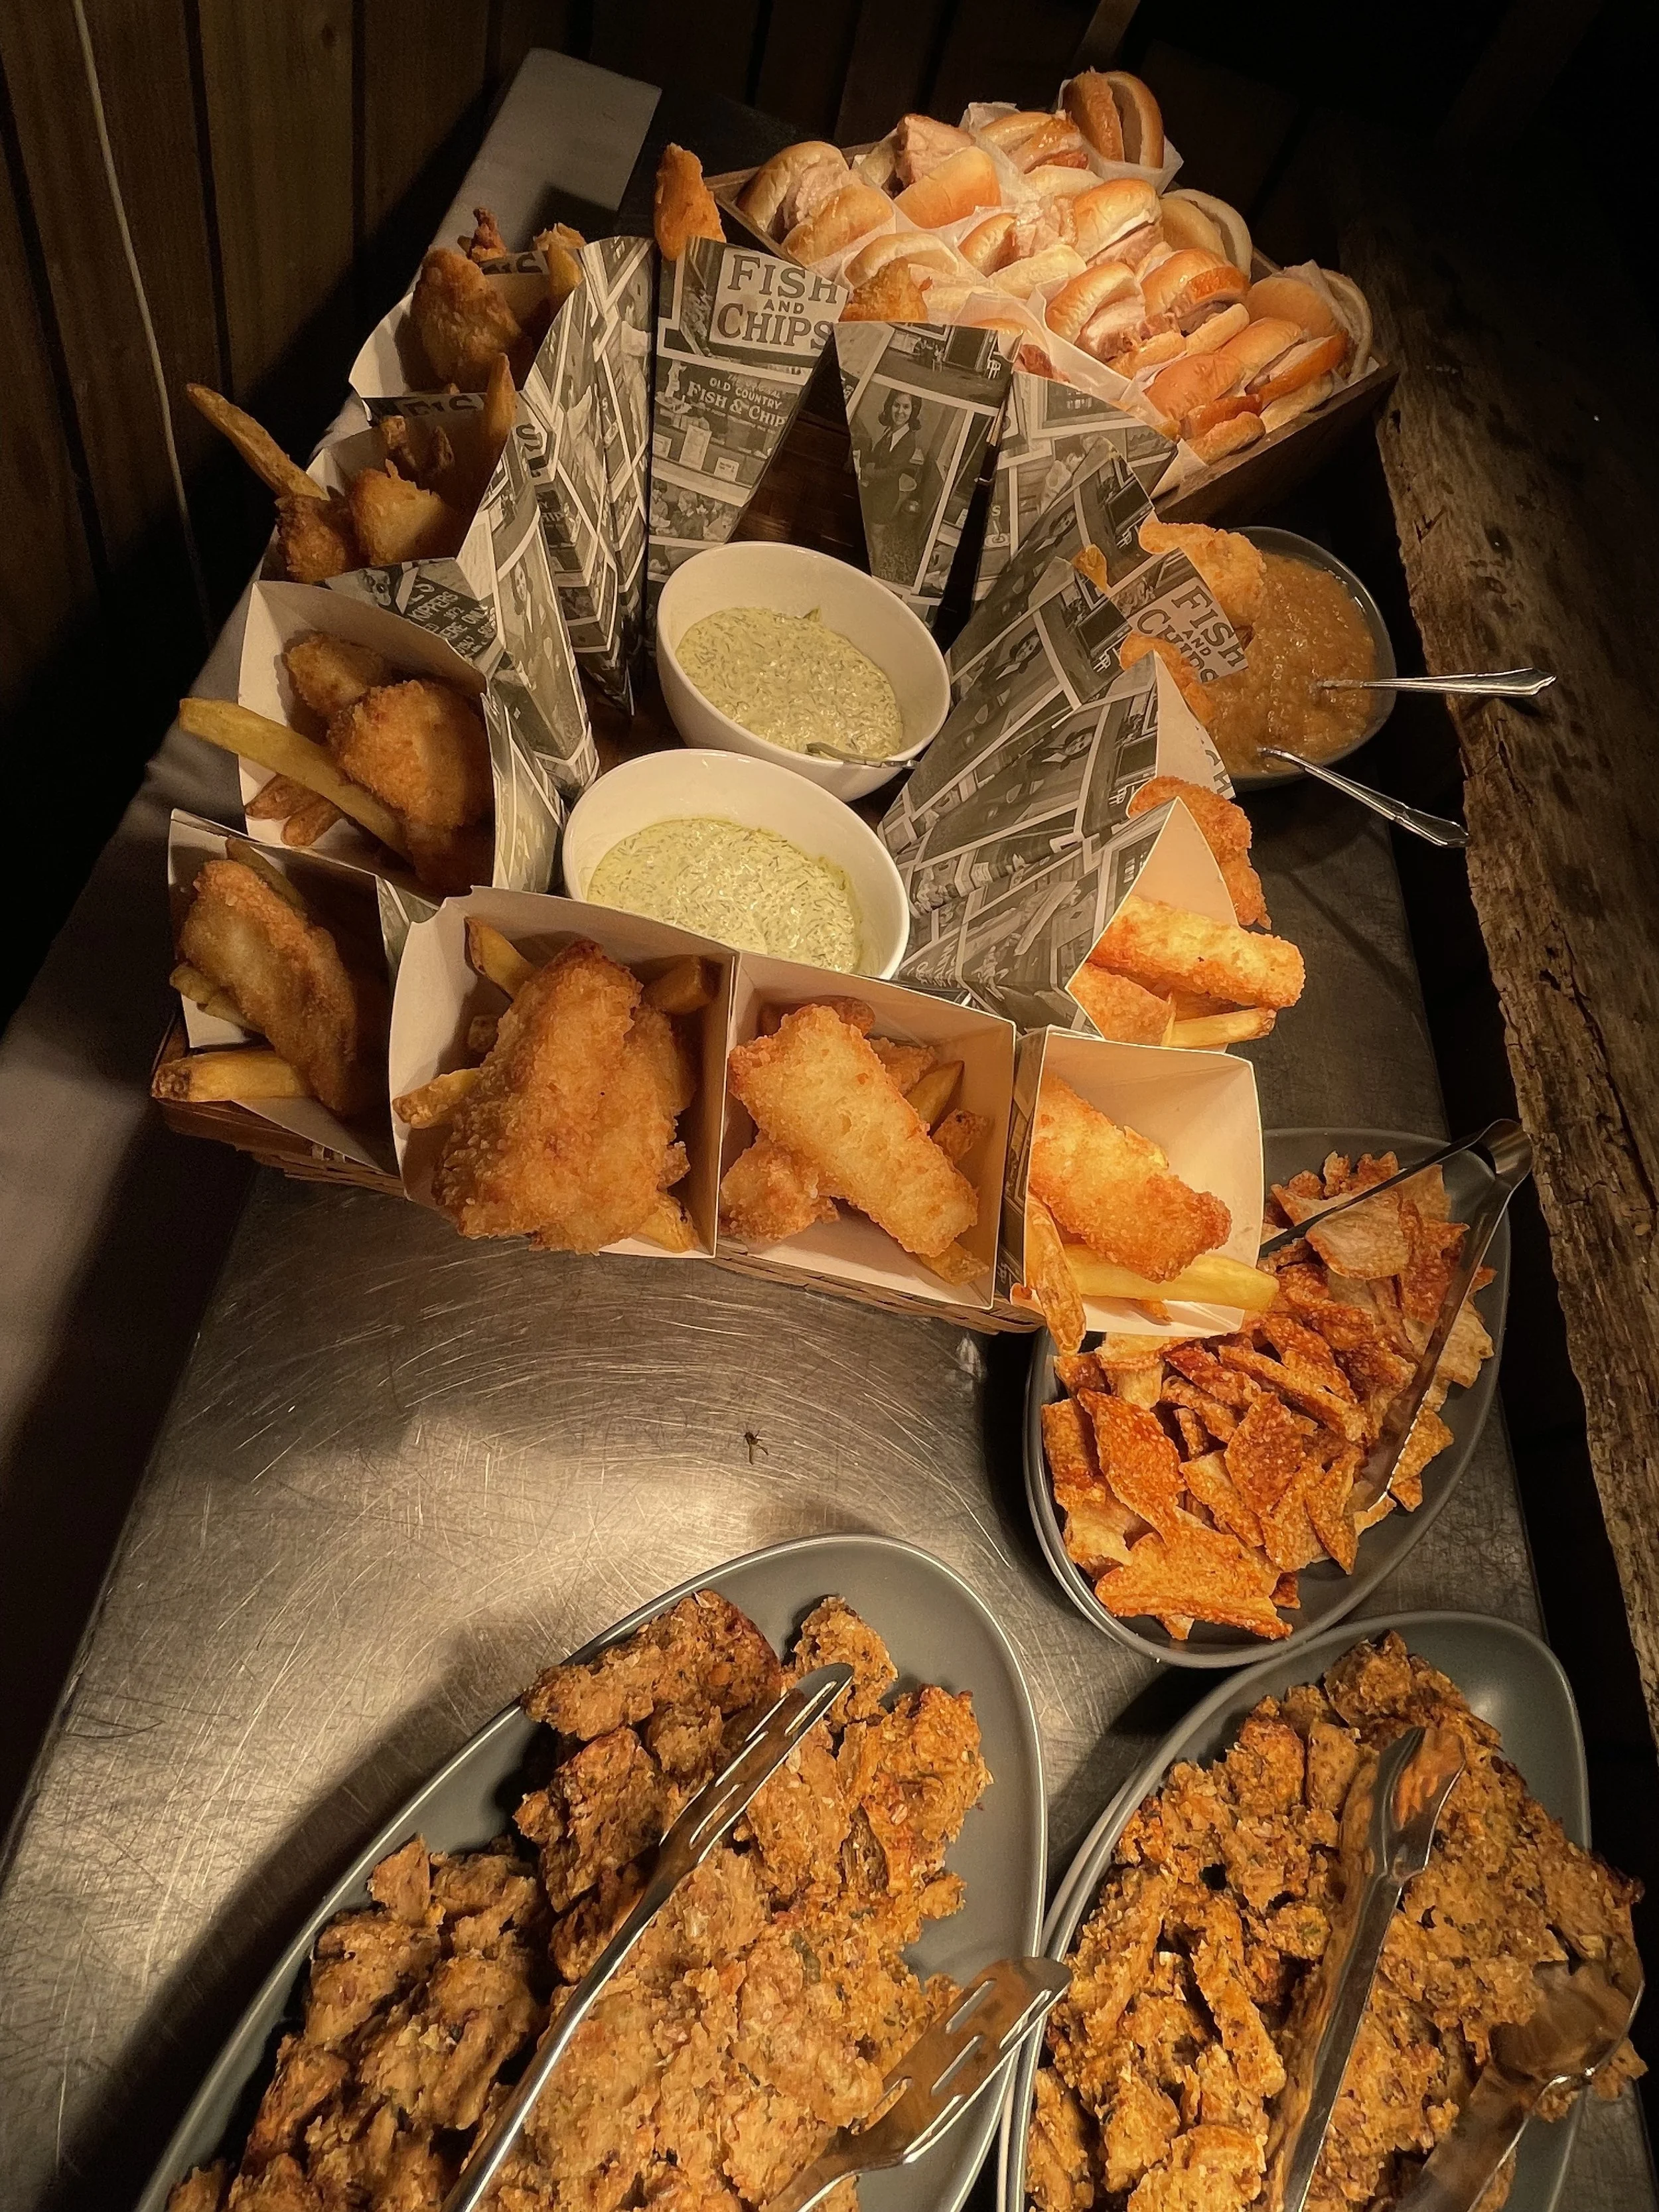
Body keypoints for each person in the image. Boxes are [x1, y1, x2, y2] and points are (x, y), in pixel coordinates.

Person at [857, 388, 935, 586]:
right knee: (869, 529)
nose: (900, 411)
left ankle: (876, 570)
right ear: (890, 406)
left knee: (877, 534)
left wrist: (865, 472)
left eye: (906, 407)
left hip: (885, 495)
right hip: (875, 490)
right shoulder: (892, 429)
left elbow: (892, 472)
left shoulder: (908, 440)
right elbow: (880, 457)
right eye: (897, 405)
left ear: (914, 410)